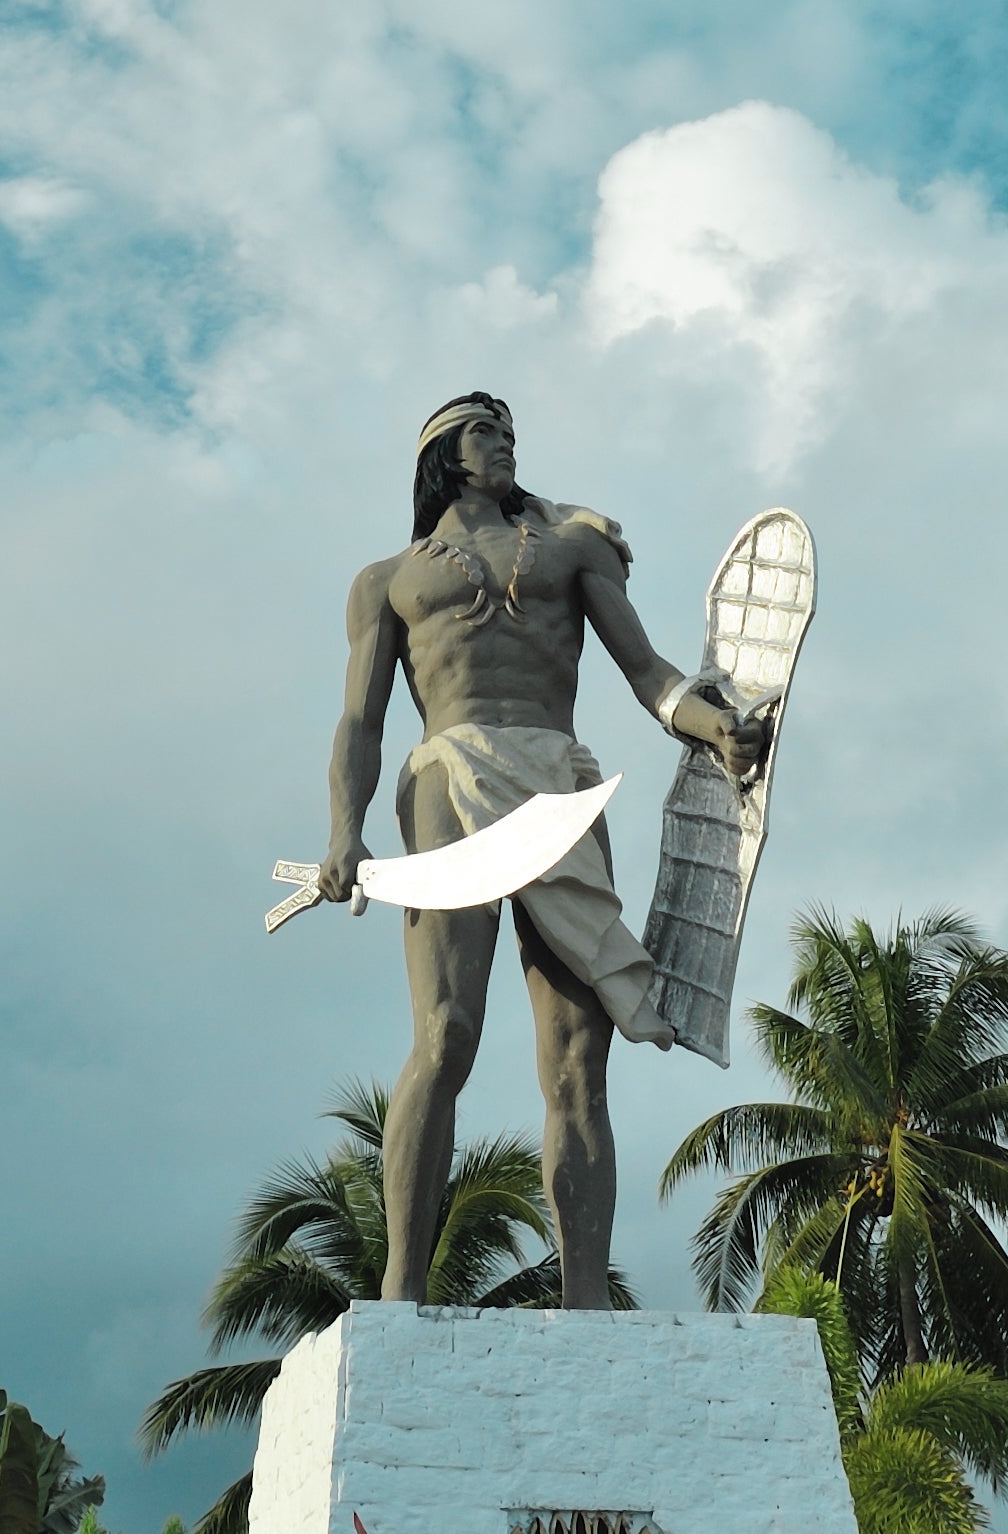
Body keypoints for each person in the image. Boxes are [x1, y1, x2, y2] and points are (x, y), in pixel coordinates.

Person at [315, 392, 766, 1307]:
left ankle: (585, 1295)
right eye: (486, 433)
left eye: (512, 434)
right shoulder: (387, 580)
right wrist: (342, 829)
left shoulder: (570, 549)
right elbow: (360, 720)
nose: (505, 446)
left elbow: (647, 672)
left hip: (558, 781)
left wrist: (709, 727)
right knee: (444, 1036)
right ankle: (401, 1287)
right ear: (443, 452)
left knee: (576, 1057)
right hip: (450, 771)